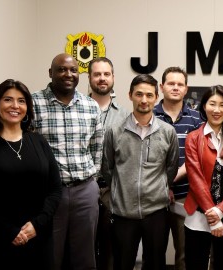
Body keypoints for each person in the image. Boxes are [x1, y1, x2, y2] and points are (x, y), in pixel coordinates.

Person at [0, 79, 62, 269]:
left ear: (27, 108)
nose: (15, 106)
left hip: (37, 239)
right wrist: (9, 231)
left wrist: (37, 224)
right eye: (8, 99)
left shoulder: (38, 141)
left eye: (21, 101)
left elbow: (55, 189)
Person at [32, 53, 104, 270]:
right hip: (48, 194)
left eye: (73, 70)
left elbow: (96, 148)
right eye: (62, 69)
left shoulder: (90, 106)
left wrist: (92, 181)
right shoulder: (33, 103)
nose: (68, 74)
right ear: (50, 73)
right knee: (49, 255)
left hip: (85, 191)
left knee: (84, 257)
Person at [102, 74, 179, 270]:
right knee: (122, 263)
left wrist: (160, 188)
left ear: (156, 97)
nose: (144, 100)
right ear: (130, 95)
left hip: (156, 212)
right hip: (123, 213)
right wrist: (120, 192)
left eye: (149, 95)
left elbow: (170, 168)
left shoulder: (168, 132)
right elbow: (108, 167)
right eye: (139, 94)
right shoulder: (114, 131)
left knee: (155, 264)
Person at [183, 85, 223, 270]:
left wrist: (221, 212)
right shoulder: (193, 138)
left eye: (222, 105)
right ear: (203, 106)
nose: (217, 110)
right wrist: (214, 216)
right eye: (212, 104)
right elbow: (195, 179)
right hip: (198, 218)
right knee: (196, 264)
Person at [153, 66, 203, 270]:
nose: (175, 87)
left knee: (185, 255)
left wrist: (170, 182)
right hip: (153, 196)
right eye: (171, 84)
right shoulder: (150, 116)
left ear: (186, 88)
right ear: (161, 87)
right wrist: (162, 186)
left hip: (185, 197)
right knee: (154, 254)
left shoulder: (197, 119)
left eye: (180, 84)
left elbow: (198, 158)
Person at [89, 57, 129, 270]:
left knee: (110, 250)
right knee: (83, 248)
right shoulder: (80, 111)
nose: (102, 79)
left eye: (106, 74)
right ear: (89, 78)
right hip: (83, 188)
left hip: (111, 190)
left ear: (113, 77)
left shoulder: (125, 116)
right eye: (97, 74)